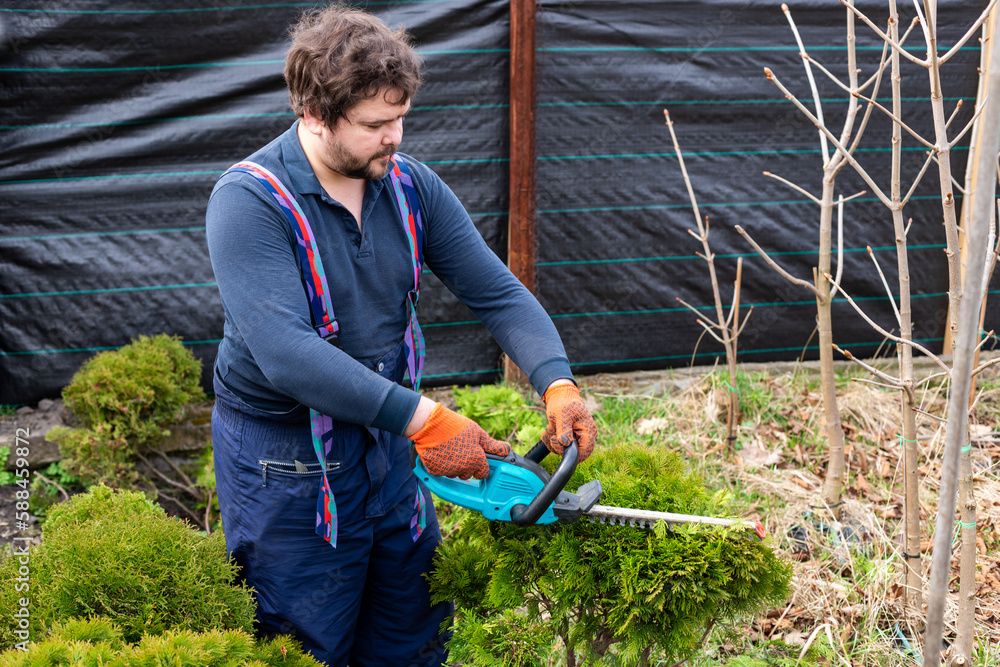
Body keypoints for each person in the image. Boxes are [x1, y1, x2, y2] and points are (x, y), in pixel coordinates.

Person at [204, 5, 598, 666]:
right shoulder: (249, 203)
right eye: (375, 125)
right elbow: (287, 355)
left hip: (389, 453)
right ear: (314, 115)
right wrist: (427, 417)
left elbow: (496, 291)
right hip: (289, 467)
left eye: (401, 117)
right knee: (303, 647)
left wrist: (556, 380)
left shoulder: (410, 187)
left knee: (410, 636)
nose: (395, 137)